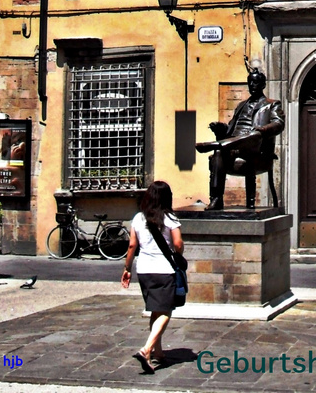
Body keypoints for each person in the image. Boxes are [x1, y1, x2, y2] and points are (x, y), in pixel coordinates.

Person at [196, 68, 285, 209]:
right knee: (218, 153)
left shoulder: (271, 104)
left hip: (256, 147)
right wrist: (221, 128)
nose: (252, 86)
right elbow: (231, 128)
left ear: (263, 85)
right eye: (250, 83)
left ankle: (216, 145)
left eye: (255, 82)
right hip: (234, 146)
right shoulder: (240, 105)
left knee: (252, 135)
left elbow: (279, 124)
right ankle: (217, 199)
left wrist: (263, 130)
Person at [121, 180, 183, 374]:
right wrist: (178, 254)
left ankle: (158, 352)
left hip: (144, 269)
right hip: (164, 269)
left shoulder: (138, 218)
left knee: (155, 310)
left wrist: (127, 268)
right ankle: (146, 349)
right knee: (165, 311)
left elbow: (132, 245)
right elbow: (178, 243)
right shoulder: (170, 218)